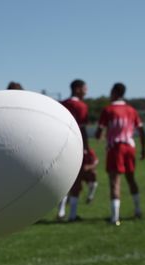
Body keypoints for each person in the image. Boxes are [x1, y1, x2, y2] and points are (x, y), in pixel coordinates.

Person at [95, 83, 145, 226]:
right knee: (131, 179)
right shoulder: (131, 110)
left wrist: (101, 136)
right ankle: (138, 210)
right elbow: (141, 131)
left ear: (115, 92)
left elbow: (99, 131)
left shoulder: (108, 110)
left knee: (114, 181)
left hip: (115, 148)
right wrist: (143, 149)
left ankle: (115, 218)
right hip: (130, 147)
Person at [56, 79, 94, 221]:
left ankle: (60, 211)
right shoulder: (81, 106)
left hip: (60, 146)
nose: (86, 91)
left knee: (63, 180)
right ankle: (72, 214)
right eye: (85, 88)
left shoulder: (62, 104)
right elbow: (82, 130)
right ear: (77, 89)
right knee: (75, 181)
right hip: (76, 147)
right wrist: (86, 148)